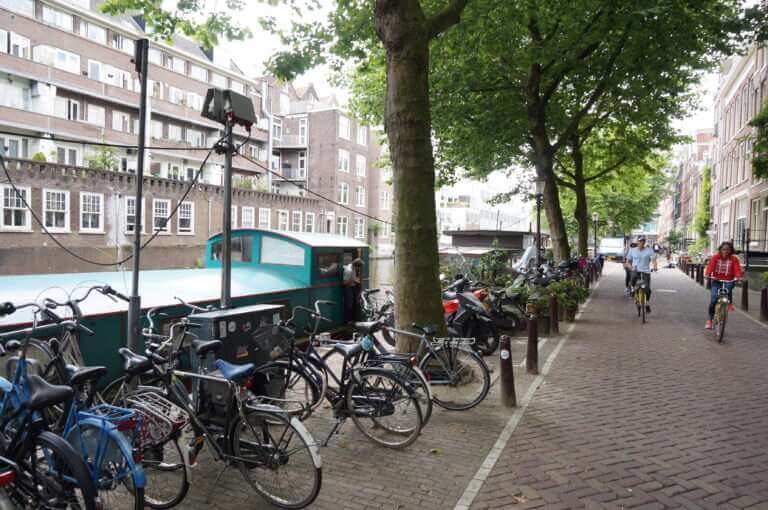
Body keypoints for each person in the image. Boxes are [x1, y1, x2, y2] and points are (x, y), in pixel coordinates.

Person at [703, 241, 742, 330]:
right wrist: (708, 274)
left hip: (729, 280)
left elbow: (737, 269)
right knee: (713, 299)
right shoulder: (715, 257)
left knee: (728, 289)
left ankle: (729, 303)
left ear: (731, 250)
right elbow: (711, 266)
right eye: (724, 249)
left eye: (728, 249)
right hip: (716, 280)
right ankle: (709, 320)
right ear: (720, 249)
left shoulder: (734, 259)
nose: (726, 251)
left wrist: (738, 277)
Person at [625, 236, 658, 312]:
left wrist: (655, 267)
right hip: (635, 270)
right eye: (640, 241)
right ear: (637, 242)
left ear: (644, 242)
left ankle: (647, 304)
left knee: (648, 289)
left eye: (643, 241)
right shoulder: (632, 250)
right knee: (633, 280)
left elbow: (653, 260)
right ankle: (632, 290)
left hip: (646, 271)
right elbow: (628, 262)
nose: (642, 243)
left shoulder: (649, 250)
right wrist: (631, 267)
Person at [342, 257, 364, 324]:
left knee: (356, 303)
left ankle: (355, 319)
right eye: (358, 267)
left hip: (353, 287)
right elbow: (344, 282)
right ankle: (348, 321)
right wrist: (353, 280)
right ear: (356, 266)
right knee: (349, 305)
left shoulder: (352, 267)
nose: (358, 269)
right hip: (348, 288)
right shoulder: (349, 271)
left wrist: (356, 280)